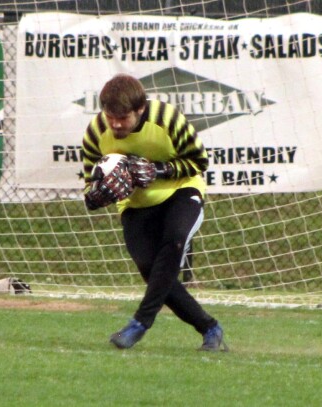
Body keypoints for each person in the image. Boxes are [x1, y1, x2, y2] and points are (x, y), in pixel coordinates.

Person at [81, 73, 227, 351]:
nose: (115, 124)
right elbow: (90, 190)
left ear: (140, 110)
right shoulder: (95, 133)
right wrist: (99, 195)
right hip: (135, 204)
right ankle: (210, 328)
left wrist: (160, 170)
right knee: (152, 269)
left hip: (180, 191)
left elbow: (199, 161)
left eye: (123, 118)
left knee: (173, 241)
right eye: (110, 117)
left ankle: (139, 323)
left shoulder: (168, 119)